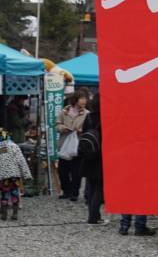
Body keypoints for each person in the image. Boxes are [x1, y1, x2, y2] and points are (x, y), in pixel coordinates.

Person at [0, 128, 33, 221]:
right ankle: (15, 214)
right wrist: (27, 174)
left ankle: (4, 214)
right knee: (14, 193)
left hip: (2, 176)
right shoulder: (14, 146)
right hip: (14, 175)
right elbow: (21, 161)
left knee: (4, 194)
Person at [56, 89, 88, 201]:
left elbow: (89, 129)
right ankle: (66, 191)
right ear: (76, 99)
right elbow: (57, 125)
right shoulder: (64, 112)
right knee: (62, 170)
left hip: (78, 145)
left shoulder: (86, 114)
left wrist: (81, 130)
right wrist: (62, 128)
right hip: (64, 143)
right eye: (82, 98)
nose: (85, 101)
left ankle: (74, 193)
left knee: (76, 172)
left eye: (85, 98)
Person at [79, 93, 104, 224]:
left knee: (91, 186)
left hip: (88, 155)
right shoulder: (106, 116)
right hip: (101, 156)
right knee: (99, 188)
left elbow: (83, 133)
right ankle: (94, 217)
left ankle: (93, 215)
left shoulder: (88, 117)